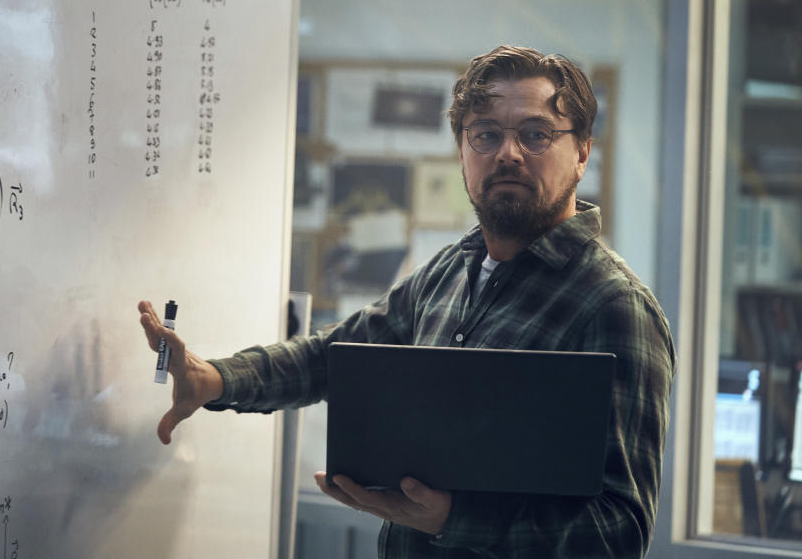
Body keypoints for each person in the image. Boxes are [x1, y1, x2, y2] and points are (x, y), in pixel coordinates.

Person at [138, 45, 677, 558]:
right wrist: (217, 379)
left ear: (582, 153)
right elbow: (335, 357)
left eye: (536, 135)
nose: (508, 153)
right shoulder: (451, 271)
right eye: (485, 134)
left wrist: (451, 519)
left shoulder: (614, 306)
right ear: (463, 152)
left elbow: (619, 536)